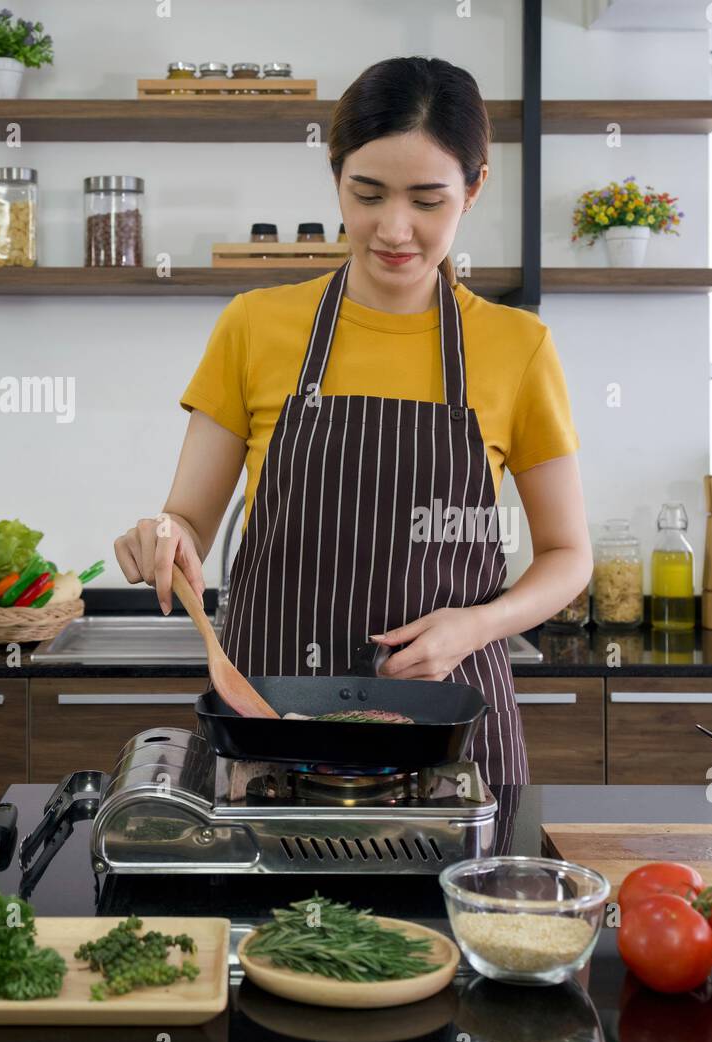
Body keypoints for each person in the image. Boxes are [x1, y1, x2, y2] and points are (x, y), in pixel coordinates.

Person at [115, 56, 591, 785]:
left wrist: (477, 625)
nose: (393, 229)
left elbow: (567, 555)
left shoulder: (517, 347)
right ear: (335, 176)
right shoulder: (256, 325)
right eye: (366, 194)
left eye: (427, 201)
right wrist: (165, 537)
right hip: (271, 718)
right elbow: (189, 519)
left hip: (443, 724)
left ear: (475, 187)